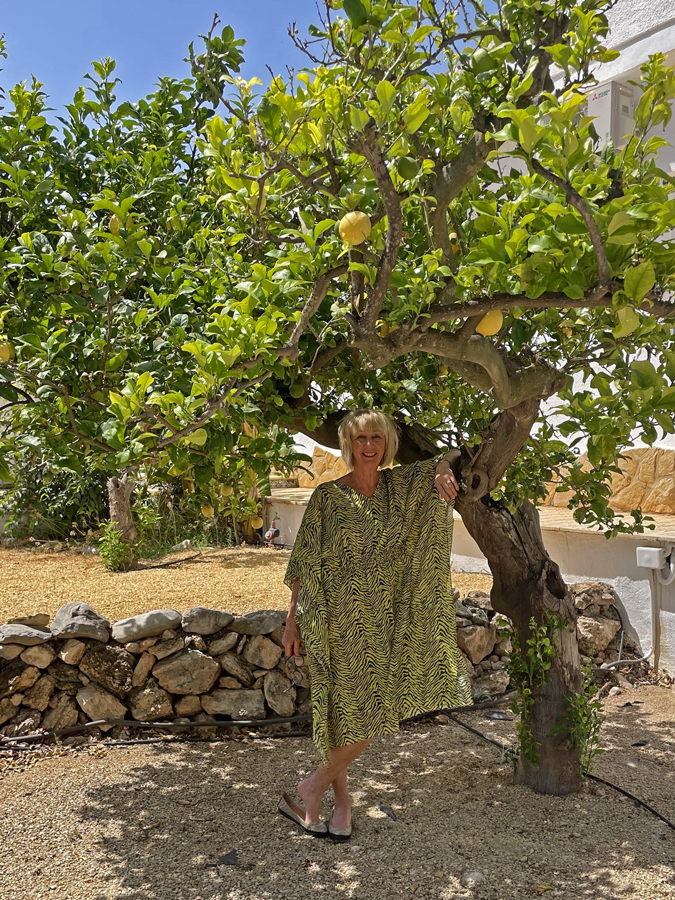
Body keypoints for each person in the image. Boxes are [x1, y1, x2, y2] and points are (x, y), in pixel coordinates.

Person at [277, 408, 472, 841]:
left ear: (386, 444)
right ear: (348, 445)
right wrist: (292, 623)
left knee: (374, 713)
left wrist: (442, 469)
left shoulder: (399, 488)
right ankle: (340, 802)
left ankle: (313, 787)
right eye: (360, 438)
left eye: (376, 438)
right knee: (342, 714)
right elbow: (303, 566)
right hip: (335, 622)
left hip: (385, 622)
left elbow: (453, 455)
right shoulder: (327, 498)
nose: (368, 446)